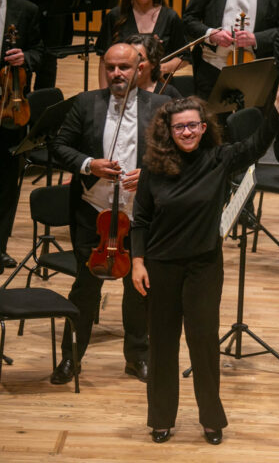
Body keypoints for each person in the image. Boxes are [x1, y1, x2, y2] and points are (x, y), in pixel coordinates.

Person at [131, 94, 279, 445]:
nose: (187, 132)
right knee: (163, 346)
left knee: (203, 344)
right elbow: (140, 219)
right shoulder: (153, 168)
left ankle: (211, 419)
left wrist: (278, 106)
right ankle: (160, 418)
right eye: (179, 126)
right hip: (160, 266)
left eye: (193, 125)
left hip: (203, 266)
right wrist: (138, 262)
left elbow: (258, 144)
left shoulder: (219, 159)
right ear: (168, 131)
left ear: (204, 128)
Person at [50, 43, 171, 385]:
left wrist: (148, 175)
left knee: (139, 289)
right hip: (94, 210)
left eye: (125, 67)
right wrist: (89, 164)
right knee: (85, 288)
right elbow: (59, 146)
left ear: (139, 69)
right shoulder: (86, 103)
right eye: (112, 67)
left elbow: (176, 155)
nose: (117, 73)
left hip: (139, 215)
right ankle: (71, 358)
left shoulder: (160, 106)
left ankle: (138, 357)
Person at [0, 0, 45, 270]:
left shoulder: (25, 9)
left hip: (10, 106)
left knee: (6, 180)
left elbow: (41, 52)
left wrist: (25, 58)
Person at [96, 0, 188, 89]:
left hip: (159, 91)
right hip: (122, 90)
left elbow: (184, 57)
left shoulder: (170, 17)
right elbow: (103, 60)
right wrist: (104, 96)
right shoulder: (114, 16)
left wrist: (162, 68)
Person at [7, 0, 89, 89]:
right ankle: (19, 108)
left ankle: (43, 108)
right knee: (17, 59)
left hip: (52, 1)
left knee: (48, 63)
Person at [124, 34, 182, 99]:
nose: (132, 64)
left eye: (140, 59)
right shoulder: (118, 90)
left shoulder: (168, 93)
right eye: (129, 59)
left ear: (153, 63)